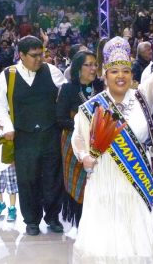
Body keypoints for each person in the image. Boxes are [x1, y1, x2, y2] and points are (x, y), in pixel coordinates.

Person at [71, 12, 153, 263]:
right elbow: (78, 138)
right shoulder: (93, 106)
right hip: (104, 179)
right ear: (104, 74)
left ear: (131, 73)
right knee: (105, 239)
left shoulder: (142, 96)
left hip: (135, 183)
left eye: (125, 71)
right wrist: (84, 156)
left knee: (135, 240)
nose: (120, 76)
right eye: (114, 71)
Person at [0, 36, 67, 236]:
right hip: (23, 137)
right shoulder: (8, 75)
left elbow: (65, 96)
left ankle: (52, 217)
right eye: (34, 56)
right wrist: (7, 127)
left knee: (52, 179)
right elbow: (0, 105)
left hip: (50, 134)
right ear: (21, 55)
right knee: (27, 180)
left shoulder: (53, 72)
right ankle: (31, 221)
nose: (39, 59)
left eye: (41, 54)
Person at [57, 50, 104, 229]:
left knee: (99, 180)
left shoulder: (101, 87)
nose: (93, 69)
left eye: (95, 64)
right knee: (78, 182)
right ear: (78, 68)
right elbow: (60, 118)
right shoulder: (68, 89)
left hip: (100, 142)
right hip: (73, 142)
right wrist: (82, 126)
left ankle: (99, 222)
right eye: (88, 65)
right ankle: (82, 224)